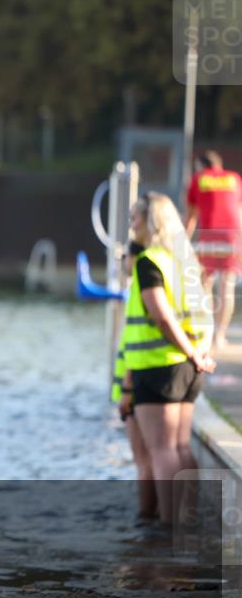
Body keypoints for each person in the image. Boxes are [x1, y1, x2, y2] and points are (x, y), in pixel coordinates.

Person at [118, 192, 215, 526]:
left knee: (161, 449)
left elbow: (161, 317)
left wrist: (188, 351)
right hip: (188, 369)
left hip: (160, 366)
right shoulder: (183, 261)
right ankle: (189, 521)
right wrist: (198, 353)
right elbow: (204, 313)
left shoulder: (150, 261)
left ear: (152, 220)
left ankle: (170, 529)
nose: (131, 227)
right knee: (181, 447)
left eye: (135, 219)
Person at [112, 241, 157, 520]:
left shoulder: (138, 292)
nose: (122, 261)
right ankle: (158, 513)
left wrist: (126, 389)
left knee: (144, 459)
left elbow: (131, 344)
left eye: (124, 256)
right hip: (142, 378)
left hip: (136, 382)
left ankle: (146, 518)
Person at [184, 150, 242, 351]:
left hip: (209, 237)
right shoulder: (234, 178)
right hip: (233, 237)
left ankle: (206, 331)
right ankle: (220, 336)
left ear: (201, 165)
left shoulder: (198, 178)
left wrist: (183, 240)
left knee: (204, 284)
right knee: (227, 289)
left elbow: (191, 215)